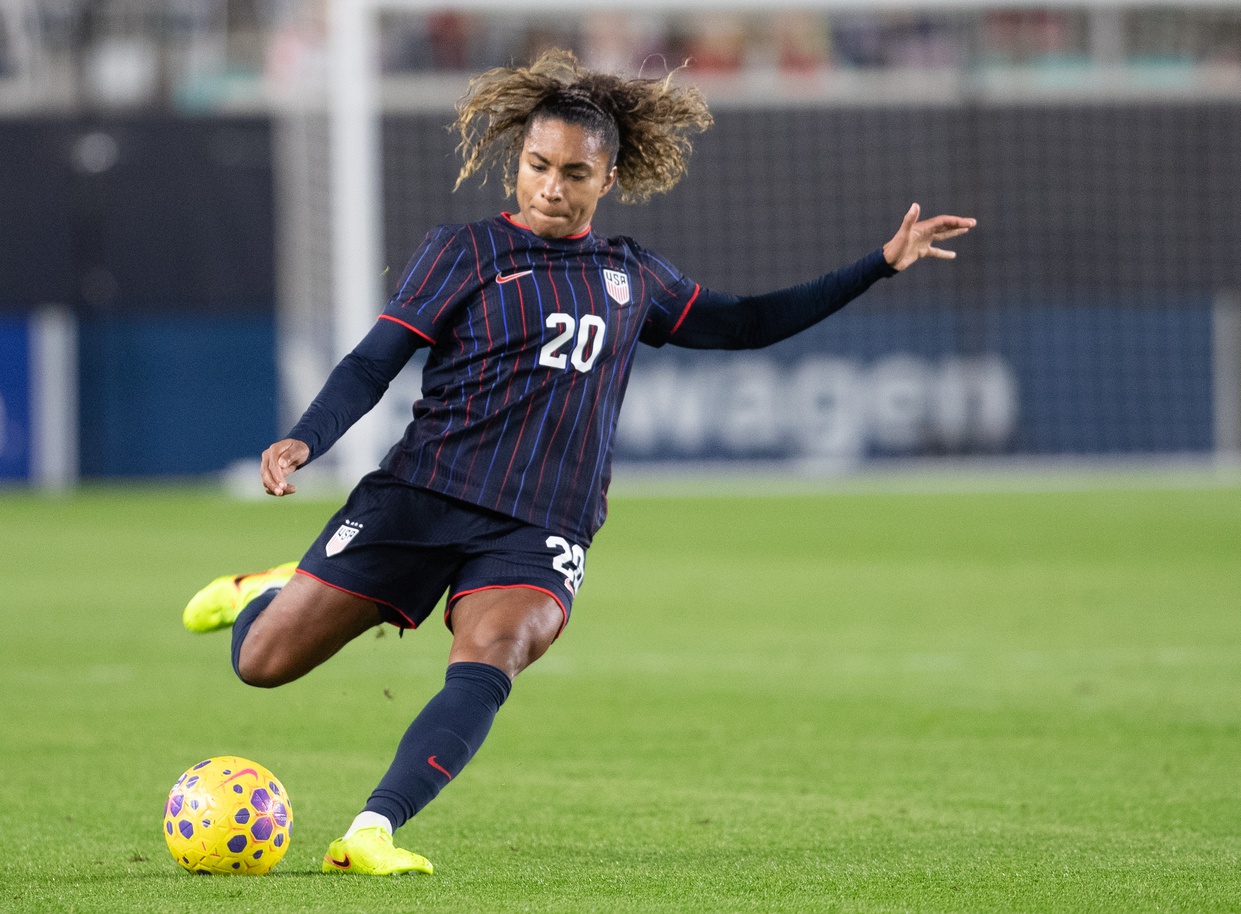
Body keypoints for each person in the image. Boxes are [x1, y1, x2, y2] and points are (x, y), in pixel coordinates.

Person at [181, 48, 975, 876]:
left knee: (491, 659)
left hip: (541, 524)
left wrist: (877, 265)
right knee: (261, 665)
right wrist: (306, 438)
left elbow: (745, 324)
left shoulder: (633, 275)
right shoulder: (465, 252)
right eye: (536, 165)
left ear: (609, 178)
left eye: (573, 172)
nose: (550, 187)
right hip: (422, 494)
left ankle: (374, 829)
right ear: (516, 162)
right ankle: (263, 590)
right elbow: (374, 361)